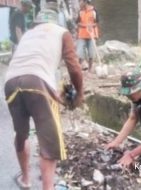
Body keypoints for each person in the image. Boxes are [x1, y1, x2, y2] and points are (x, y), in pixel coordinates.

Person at [4, 9, 83, 190]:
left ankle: (26, 180)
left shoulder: (28, 35)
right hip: (37, 81)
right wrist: (79, 94)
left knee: (21, 133)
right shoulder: (62, 33)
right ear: (55, 23)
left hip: (10, 82)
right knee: (48, 139)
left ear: (37, 23)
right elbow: (75, 69)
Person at [76, 0, 99, 72]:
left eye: (80, 2)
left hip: (91, 35)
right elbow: (77, 23)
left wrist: (91, 26)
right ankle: (79, 68)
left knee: (91, 53)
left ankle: (90, 69)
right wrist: (85, 26)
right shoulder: (80, 12)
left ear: (85, 2)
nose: (79, 3)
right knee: (80, 53)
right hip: (82, 35)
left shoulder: (94, 11)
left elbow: (97, 22)